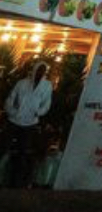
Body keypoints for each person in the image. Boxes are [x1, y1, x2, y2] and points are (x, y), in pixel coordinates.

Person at [3, 60, 50, 189]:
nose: (40, 72)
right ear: (34, 69)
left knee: (22, 151)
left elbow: (47, 103)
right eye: (39, 69)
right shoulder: (22, 83)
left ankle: (16, 182)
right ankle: (3, 176)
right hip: (14, 121)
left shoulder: (47, 86)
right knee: (4, 147)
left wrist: (38, 112)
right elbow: (11, 98)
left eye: (43, 70)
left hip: (30, 124)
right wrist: (12, 111)